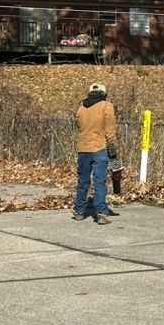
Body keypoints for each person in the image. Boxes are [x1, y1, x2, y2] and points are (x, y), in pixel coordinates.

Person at [72, 81, 118, 225]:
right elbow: (110, 128)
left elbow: (79, 126)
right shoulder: (107, 106)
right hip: (99, 147)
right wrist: (112, 146)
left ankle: (79, 210)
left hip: (83, 148)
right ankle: (101, 212)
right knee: (99, 181)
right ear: (104, 94)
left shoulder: (81, 109)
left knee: (83, 181)